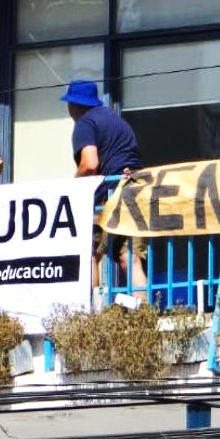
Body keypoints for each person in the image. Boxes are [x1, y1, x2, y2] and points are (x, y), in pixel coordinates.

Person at [62, 79, 148, 294]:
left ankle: (90, 311)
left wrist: (72, 188)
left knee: (90, 255)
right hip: (134, 190)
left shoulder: (85, 123)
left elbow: (89, 164)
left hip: (107, 195)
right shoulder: (115, 120)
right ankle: (145, 311)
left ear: (73, 105)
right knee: (130, 257)